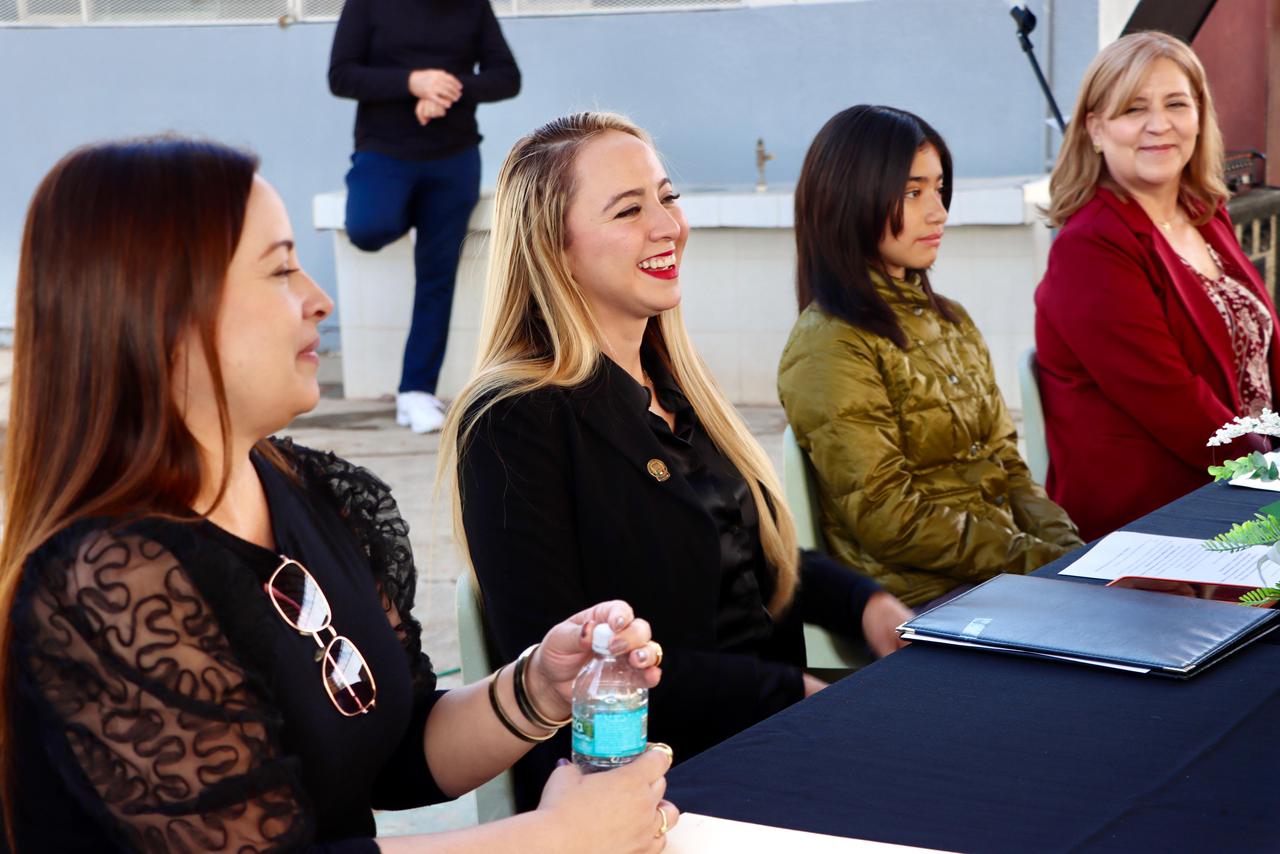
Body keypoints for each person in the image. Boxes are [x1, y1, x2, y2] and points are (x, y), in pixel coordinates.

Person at [0, 137, 680, 853]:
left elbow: (395, 751)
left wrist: (536, 688)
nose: (318, 300)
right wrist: (557, 838)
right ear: (164, 313)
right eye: (280, 270)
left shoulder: (311, 491)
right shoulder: (104, 578)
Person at [439, 112, 915, 812]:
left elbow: (750, 556)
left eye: (667, 198)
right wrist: (790, 696)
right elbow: (568, 669)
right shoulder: (514, 419)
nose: (668, 227)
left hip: (765, 739)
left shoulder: (675, 388)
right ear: (552, 249)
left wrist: (867, 605)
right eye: (629, 210)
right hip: (646, 787)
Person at [777, 105, 1083, 610]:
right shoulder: (829, 345)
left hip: (1001, 575)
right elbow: (889, 517)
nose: (938, 212)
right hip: (922, 598)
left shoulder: (952, 320)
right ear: (850, 199)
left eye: (939, 189)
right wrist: (1040, 562)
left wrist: (1072, 556)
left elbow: (1009, 466)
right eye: (912, 192)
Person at [1035, 32, 1280, 541]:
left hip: (1245, 489)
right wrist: (1268, 478)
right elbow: (1175, 404)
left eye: (1176, 104)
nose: (1159, 124)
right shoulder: (1090, 247)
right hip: (1161, 520)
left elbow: (1266, 352)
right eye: (1134, 109)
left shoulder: (1205, 215)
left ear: (1199, 117)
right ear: (1096, 129)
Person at [329, 0, 520, 434]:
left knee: (437, 275)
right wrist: (412, 83)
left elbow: (506, 77)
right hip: (384, 151)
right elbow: (341, 76)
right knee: (369, 227)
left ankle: (416, 391)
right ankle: (408, 209)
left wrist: (448, 89)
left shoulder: (472, 6)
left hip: (454, 157)